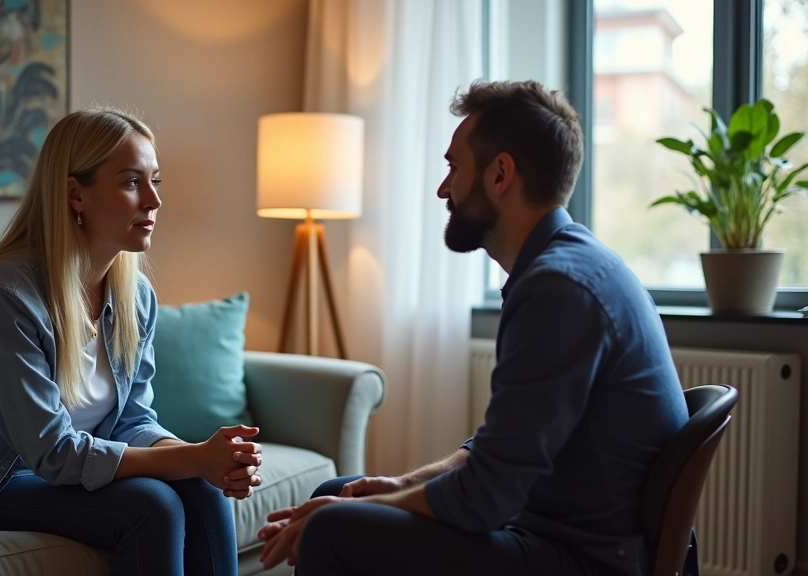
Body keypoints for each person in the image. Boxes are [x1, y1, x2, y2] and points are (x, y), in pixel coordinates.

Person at [258, 79, 691, 576]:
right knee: (337, 494)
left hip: (585, 558)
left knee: (334, 524)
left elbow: (486, 500)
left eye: (454, 167)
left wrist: (367, 509)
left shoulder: (558, 289)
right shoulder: (565, 267)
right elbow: (497, 456)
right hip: (557, 529)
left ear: (500, 173)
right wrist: (401, 485)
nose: (443, 188)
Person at [0, 107, 262, 576]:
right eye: (132, 182)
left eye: (155, 181)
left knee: (202, 488)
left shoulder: (135, 295)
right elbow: (52, 452)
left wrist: (209, 459)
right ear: (75, 194)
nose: (153, 201)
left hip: (49, 473)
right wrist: (194, 456)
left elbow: (131, 420)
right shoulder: (4, 295)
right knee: (152, 505)